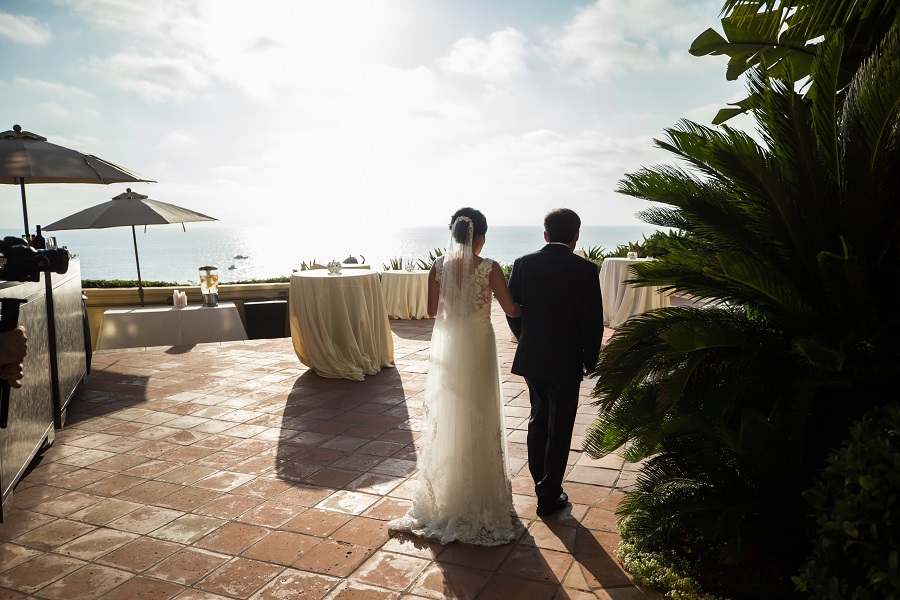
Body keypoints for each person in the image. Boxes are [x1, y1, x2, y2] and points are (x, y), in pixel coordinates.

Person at [389, 207, 521, 545]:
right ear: (480, 238)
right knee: (479, 409)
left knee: (452, 411)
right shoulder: (490, 268)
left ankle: (447, 494)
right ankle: (478, 494)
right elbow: (512, 309)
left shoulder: (437, 267)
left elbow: (433, 312)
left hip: (448, 347)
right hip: (478, 345)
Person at [506, 208, 603, 516]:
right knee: (559, 426)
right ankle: (549, 495)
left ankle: (541, 483)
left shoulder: (523, 263)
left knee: (538, 417)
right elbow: (592, 321)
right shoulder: (586, 270)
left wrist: (526, 339)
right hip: (567, 359)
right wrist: (591, 358)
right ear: (576, 236)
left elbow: (513, 310)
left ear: (545, 234)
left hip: (532, 355)